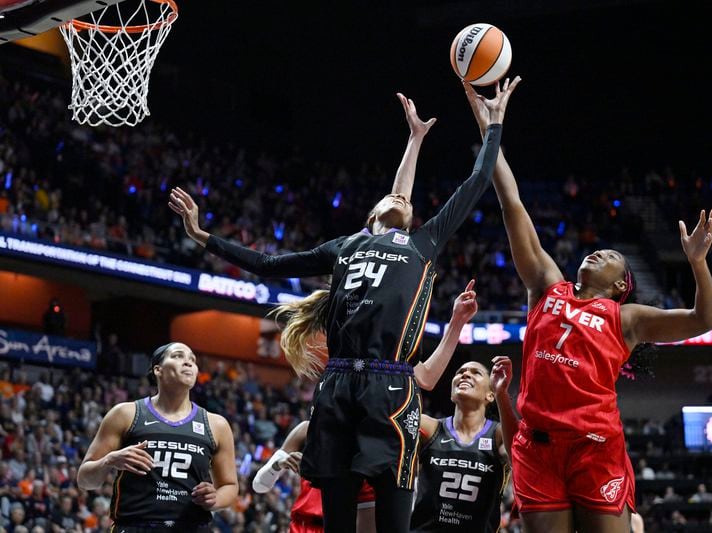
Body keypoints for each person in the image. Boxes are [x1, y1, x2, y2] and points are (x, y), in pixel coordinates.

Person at [170, 80, 519, 533]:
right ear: (371, 216)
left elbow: (476, 182)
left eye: (405, 203)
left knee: (392, 520)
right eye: (394, 200)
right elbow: (269, 263)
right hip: (338, 384)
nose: (402, 200)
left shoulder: (422, 243)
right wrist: (204, 238)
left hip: (390, 387)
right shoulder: (347, 246)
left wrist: (493, 125)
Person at [465, 80, 712, 533]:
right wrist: (493, 127)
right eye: (596, 251)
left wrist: (698, 264)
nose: (598, 253)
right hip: (538, 447)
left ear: (622, 283)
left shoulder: (627, 318)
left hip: (595, 445)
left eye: (611, 256)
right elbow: (512, 202)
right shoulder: (547, 285)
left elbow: (707, 319)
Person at [252, 284, 480, 533]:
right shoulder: (311, 425)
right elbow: (260, 485)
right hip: (305, 523)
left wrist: (456, 321)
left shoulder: (389, 372)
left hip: (361, 498)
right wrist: (281, 462)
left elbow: (426, 379)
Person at [77, 342, 238, 532]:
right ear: (158, 370)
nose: (188, 362)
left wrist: (215, 499)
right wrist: (109, 460)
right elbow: (85, 480)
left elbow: (229, 485)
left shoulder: (216, 424)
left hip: (191, 527)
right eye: (178, 356)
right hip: (134, 527)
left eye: (192, 360)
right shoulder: (125, 414)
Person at [411, 361, 509, 533]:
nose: (465, 374)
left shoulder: (499, 435)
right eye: (460, 371)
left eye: (476, 373)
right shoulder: (430, 427)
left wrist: (502, 394)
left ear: (490, 395)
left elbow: (520, 455)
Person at [253, 420, 376, 533]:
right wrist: (277, 465)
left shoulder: (367, 441)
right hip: (301, 526)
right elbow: (259, 485)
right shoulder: (306, 430)